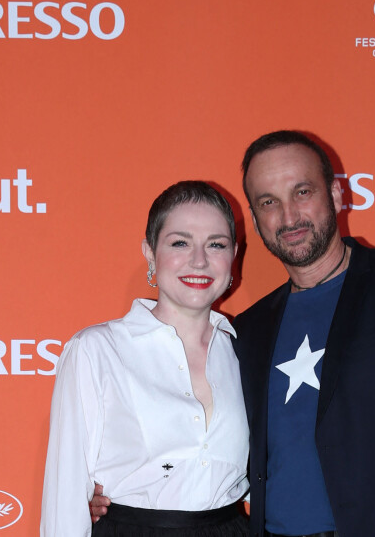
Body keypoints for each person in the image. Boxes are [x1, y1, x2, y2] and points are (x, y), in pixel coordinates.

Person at [92, 131, 375, 537]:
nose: (288, 216)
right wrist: (122, 496)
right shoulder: (244, 331)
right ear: (254, 218)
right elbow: (213, 450)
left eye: (302, 192)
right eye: (269, 202)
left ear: (336, 196)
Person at [41, 181, 249, 537]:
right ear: (151, 254)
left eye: (216, 244)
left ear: (233, 256)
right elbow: (65, 500)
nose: (199, 260)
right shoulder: (97, 350)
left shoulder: (247, 350)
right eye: (180, 243)